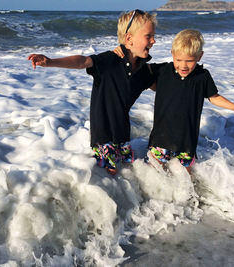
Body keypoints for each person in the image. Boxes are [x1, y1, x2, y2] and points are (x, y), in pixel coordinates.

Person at [28, 10, 157, 175]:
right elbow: (82, 61)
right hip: (103, 140)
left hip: (124, 139)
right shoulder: (109, 61)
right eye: (148, 36)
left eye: (154, 36)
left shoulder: (143, 71)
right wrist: (51, 62)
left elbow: (161, 84)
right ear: (129, 39)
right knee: (109, 177)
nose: (153, 41)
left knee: (130, 174)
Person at [146, 29, 234, 173]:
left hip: (187, 141)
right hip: (161, 138)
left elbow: (214, 97)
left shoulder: (202, 77)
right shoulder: (162, 71)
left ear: (200, 56)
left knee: (188, 175)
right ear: (172, 54)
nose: (183, 65)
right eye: (178, 60)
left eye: (189, 60)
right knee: (154, 170)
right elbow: (139, 70)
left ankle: (192, 195)